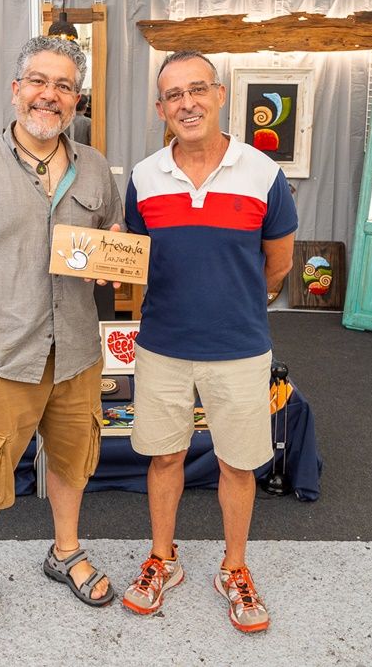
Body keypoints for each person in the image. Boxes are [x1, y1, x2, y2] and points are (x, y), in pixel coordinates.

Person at [0, 36, 124, 651]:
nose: (50, 95)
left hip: (77, 353)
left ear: (77, 99)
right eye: (39, 81)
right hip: (3, 356)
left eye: (64, 86)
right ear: (16, 90)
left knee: (72, 460)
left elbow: (109, 242)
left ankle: (65, 552)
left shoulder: (94, 168)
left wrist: (114, 257)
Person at [120, 51, 297, 633]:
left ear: (221, 96)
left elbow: (279, 264)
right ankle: (162, 559)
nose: (187, 103)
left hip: (240, 348)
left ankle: (235, 567)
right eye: (174, 95)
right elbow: (137, 260)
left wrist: (235, 304)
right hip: (162, 344)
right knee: (165, 456)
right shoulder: (143, 177)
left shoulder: (264, 174)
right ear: (160, 108)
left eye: (197, 90)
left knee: (237, 464)